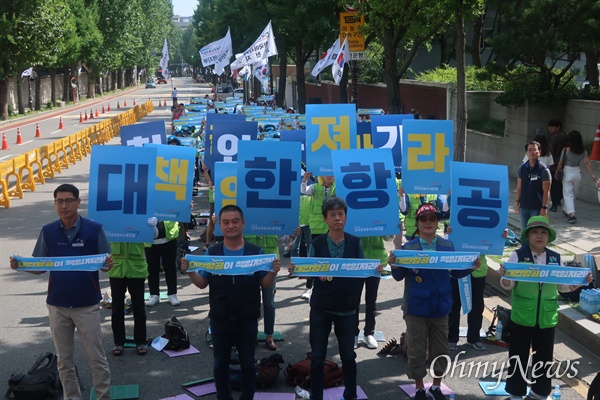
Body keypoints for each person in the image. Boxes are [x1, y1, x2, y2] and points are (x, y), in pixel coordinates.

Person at [9, 184, 113, 400]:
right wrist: (20, 265)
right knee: (64, 362)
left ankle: (104, 397)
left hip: (87, 305)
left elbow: (103, 263)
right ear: (55, 204)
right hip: (58, 304)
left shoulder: (94, 229)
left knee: (96, 358)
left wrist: (107, 263)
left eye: (68, 200)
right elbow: (40, 266)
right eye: (59, 201)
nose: (64, 205)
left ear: (78, 202)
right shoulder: (48, 231)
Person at [182, 205, 280, 400]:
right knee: (220, 363)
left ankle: (247, 397)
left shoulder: (255, 252)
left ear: (243, 224)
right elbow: (202, 284)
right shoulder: (212, 253)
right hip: (220, 317)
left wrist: (272, 272)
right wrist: (190, 271)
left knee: (248, 363)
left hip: (248, 317)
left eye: (235, 221)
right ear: (219, 225)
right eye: (225, 222)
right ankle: (223, 396)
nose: (231, 225)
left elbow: (265, 285)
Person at [388, 204, 478, 400]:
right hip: (415, 308)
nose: (428, 222)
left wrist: (471, 267)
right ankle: (419, 388)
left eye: (432, 219)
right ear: (418, 224)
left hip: (441, 307)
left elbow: (456, 272)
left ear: (437, 223)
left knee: (440, 349)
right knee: (416, 349)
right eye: (423, 219)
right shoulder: (409, 248)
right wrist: (394, 263)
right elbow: (398, 276)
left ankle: (436, 387)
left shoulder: (447, 246)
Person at [499, 216, 592, 400]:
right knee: (518, 356)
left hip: (547, 317)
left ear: (548, 237)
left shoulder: (555, 258)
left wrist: (578, 284)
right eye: (535, 232)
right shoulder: (517, 255)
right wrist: (506, 276)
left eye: (543, 232)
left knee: (544, 357)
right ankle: (516, 392)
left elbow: (561, 286)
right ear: (527, 236)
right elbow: (507, 285)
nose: (539, 236)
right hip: (522, 315)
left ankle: (540, 392)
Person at [289, 197, 367, 400]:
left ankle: (350, 394)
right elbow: (310, 272)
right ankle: (317, 396)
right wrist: (296, 270)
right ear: (325, 219)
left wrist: (374, 269)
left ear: (346, 217)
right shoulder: (317, 243)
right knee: (317, 357)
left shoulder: (355, 243)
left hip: (347, 309)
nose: (337, 218)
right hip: (321, 308)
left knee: (349, 356)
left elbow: (362, 271)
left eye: (341, 214)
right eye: (332, 215)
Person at [108, 217, 158, 356]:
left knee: (139, 308)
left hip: (136, 270)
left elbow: (152, 237)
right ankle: (118, 342)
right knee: (117, 307)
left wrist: (152, 227)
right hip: (117, 269)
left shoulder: (140, 216)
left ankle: (140, 341)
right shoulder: (112, 217)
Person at [299, 173, 336, 300]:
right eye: (326, 174)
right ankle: (309, 287)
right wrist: (304, 180)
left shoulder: (338, 187)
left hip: (333, 227)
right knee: (314, 256)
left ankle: (330, 285)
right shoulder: (315, 187)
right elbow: (304, 190)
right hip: (317, 227)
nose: (329, 176)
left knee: (332, 255)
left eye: (332, 174)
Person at [554, 130, 596, 223]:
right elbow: (587, 163)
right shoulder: (582, 151)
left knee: (568, 194)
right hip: (577, 173)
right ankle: (566, 210)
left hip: (567, 172)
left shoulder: (565, 150)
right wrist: (592, 175)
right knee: (573, 194)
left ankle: (572, 214)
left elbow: (560, 163)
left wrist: (557, 171)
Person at [356, 236, 387, 350]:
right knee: (354, 299)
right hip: (357, 262)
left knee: (371, 300)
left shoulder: (379, 217)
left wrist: (393, 227)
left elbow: (388, 237)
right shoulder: (353, 217)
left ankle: (369, 333)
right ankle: (354, 333)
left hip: (375, 263)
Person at [515, 140, 551, 230]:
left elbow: (546, 191)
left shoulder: (544, 170)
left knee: (534, 232)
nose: (532, 152)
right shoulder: (522, 168)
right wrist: (517, 202)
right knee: (524, 232)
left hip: (536, 208)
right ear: (526, 152)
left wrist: (544, 207)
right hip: (524, 206)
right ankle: (524, 245)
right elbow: (519, 187)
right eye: (529, 150)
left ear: (539, 152)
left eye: (534, 150)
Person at [145, 220, 181, 306]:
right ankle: (154, 294)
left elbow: (179, 207)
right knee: (152, 269)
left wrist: (187, 207)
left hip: (169, 237)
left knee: (170, 267)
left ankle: (172, 293)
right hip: (150, 240)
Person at [546, 119, 567, 212]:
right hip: (564, 164)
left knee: (554, 185)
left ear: (558, 127)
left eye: (552, 126)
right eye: (549, 126)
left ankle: (554, 204)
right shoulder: (565, 136)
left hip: (554, 163)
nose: (550, 128)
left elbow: (550, 150)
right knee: (560, 184)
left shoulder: (554, 138)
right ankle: (558, 200)